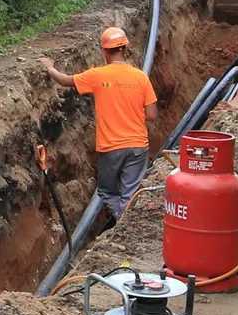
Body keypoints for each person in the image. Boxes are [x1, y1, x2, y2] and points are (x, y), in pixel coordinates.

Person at [40, 26, 160, 223]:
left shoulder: (97, 76)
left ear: (105, 51)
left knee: (106, 191)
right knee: (130, 193)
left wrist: (50, 68)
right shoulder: (141, 77)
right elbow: (152, 115)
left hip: (111, 147)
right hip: (138, 146)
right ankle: (126, 223)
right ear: (125, 48)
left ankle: (122, 223)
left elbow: (65, 81)